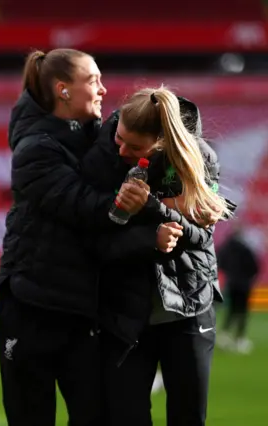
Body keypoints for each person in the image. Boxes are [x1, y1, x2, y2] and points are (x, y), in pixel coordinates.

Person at [0, 48, 154, 426]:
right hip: (33, 306)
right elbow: (83, 206)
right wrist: (133, 207)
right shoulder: (35, 148)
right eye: (93, 80)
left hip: (82, 310)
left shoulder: (101, 139)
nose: (103, 89)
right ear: (63, 90)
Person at [81, 86, 234, 426]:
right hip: (125, 312)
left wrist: (151, 207)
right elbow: (93, 241)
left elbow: (201, 235)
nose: (121, 150)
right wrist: (147, 235)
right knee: (127, 417)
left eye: (134, 148)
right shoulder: (103, 156)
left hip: (190, 303)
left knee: (188, 417)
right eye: (119, 138)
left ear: (160, 143)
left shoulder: (199, 157)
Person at [217, 223, 260, 354]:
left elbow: (219, 261)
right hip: (244, 284)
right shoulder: (246, 248)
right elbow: (254, 266)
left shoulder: (226, 247)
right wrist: (249, 277)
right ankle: (239, 339)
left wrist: (229, 273)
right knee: (242, 312)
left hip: (232, 282)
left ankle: (224, 335)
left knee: (231, 310)